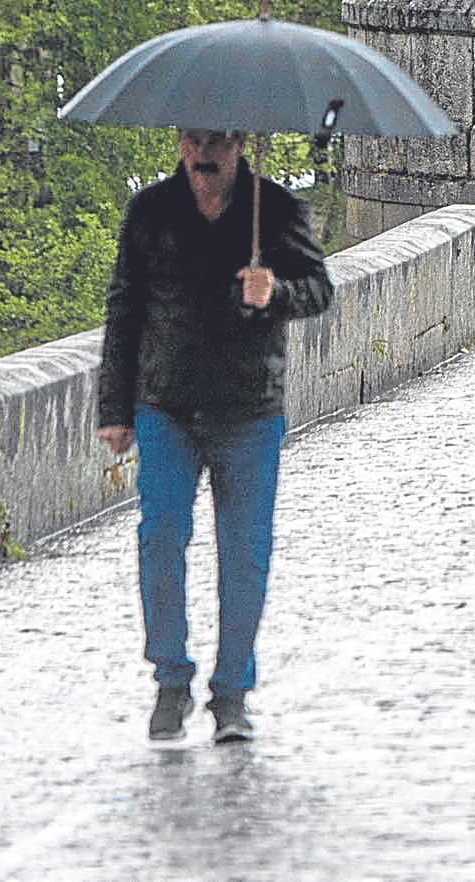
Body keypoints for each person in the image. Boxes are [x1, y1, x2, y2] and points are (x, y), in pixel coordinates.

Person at [99, 127, 337, 746]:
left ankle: (232, 692)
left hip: (248, 408)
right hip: (165, 405)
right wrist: (114, 407)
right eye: (195, 142)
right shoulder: (150, 212)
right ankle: (170, 679)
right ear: (180, 144)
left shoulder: (276, 210)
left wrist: (274, 291)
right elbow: (124, 308)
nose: (206, 156)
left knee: (245, 552)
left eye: (220, 144)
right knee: (160, 538)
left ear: (239, 145)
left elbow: (319, 290)